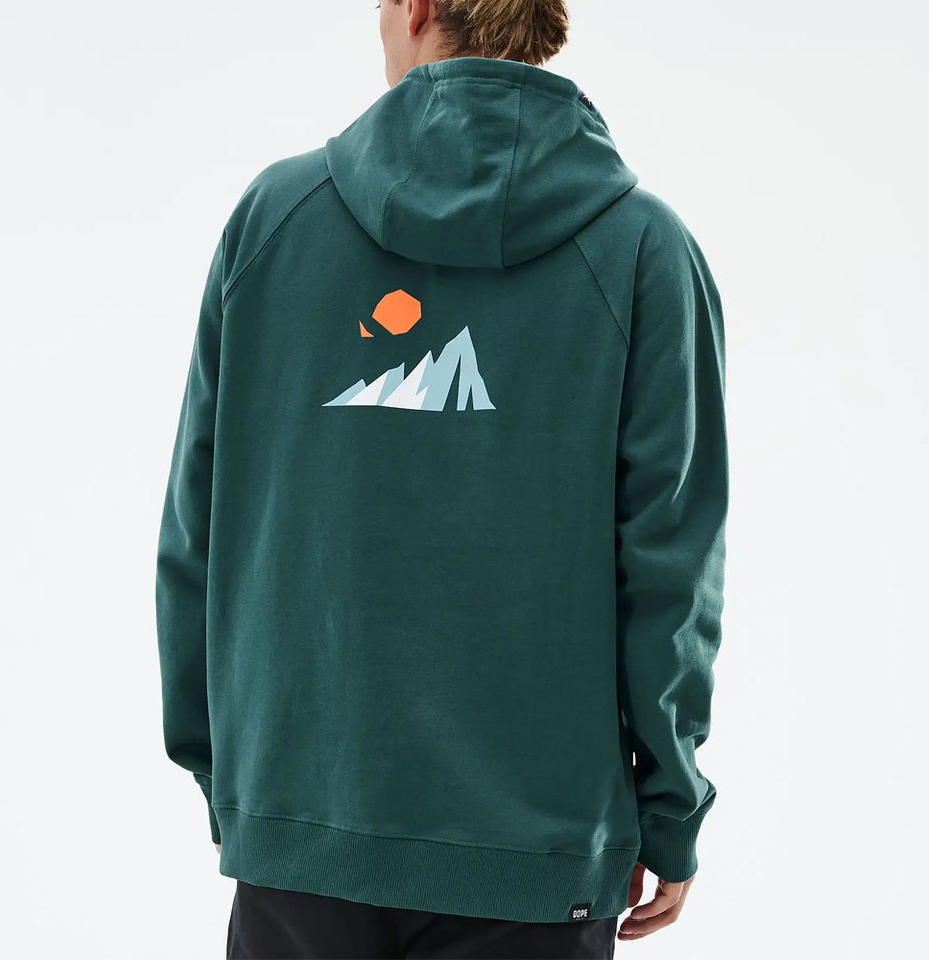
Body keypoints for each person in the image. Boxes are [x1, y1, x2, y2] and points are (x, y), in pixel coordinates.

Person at [154, 1, 729, 957]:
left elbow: (195, 533)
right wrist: (670, 808)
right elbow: (671, 569)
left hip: (302, 827)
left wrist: (237, 787)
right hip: (538, 858)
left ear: (418, 6)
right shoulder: (642, 251)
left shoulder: (273, 219)